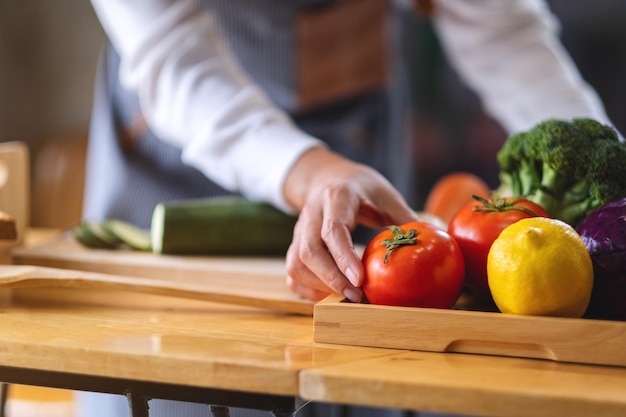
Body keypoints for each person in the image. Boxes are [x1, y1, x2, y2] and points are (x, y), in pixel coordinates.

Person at [78, 0, 617, 416]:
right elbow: (177, 62)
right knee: (171, 385)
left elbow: (503, 36)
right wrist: (316, 171)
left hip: (361, 148)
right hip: (181, 155)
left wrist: (612, 186)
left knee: (368, 383)